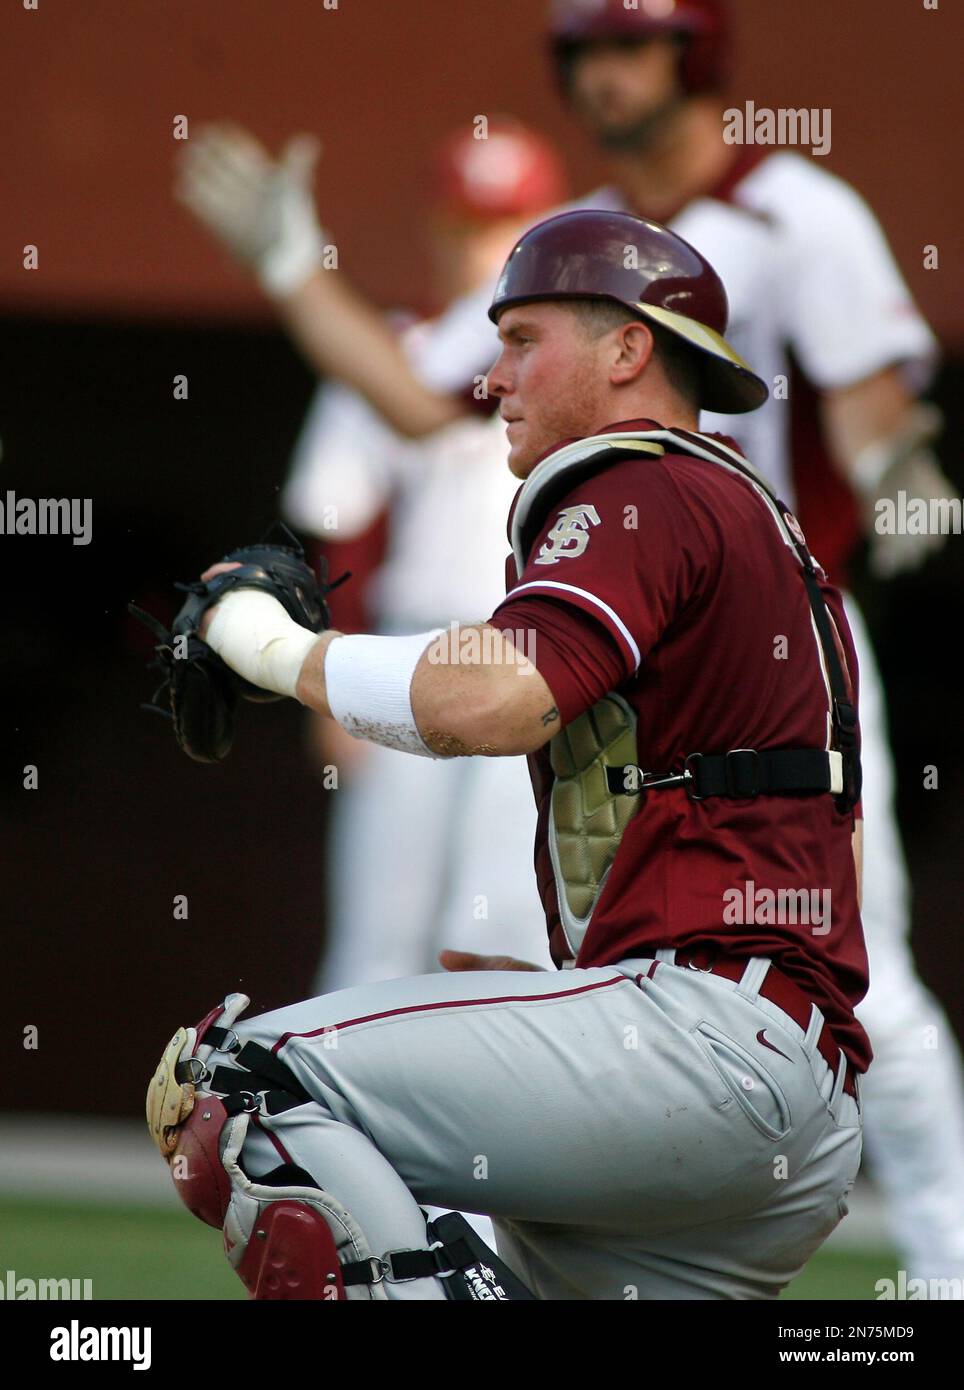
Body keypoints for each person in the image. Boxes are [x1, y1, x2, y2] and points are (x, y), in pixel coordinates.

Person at [174, 0, 964, 1290]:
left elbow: (502, 695)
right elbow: (415, 392)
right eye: (584, 47)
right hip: (744, 1014)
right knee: (518, 942)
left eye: (521, 345)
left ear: (629, 349)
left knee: (247, 1078)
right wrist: (287, 266)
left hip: (715, 832)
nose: (495, 376)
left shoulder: (650, 458)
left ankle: (947, 1276)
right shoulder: (603, 275)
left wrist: (274, 649)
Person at [280, 120, 567, 992]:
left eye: (505, 224)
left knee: (509, 932)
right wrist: (331, 680)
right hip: (405, 650)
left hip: (533, 661)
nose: (481, 245)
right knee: (381, 933)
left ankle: (496, 1131)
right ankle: (337, 1128)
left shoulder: (578, 364)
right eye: (466, 223)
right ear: (435, 227)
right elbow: (342, 525)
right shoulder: (389, 350)